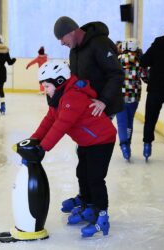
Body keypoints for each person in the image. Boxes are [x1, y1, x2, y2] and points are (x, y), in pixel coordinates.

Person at [29, 60, 116, 237]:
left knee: (95, 178)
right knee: (82, 173)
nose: (45, 90)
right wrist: (34, 140)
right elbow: (49, 121)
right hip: (87, 142)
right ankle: (87, 203)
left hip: (102, 140)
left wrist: (43, 148)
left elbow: (61, 125)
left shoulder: (72, 97)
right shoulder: (59, 98)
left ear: (59, 82)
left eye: (47, 86)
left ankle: (102, 215)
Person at [53, 16, 123, 212]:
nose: (61, 42)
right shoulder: (74, 50)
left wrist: (104, 101)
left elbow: (117, 73)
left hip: (101, 108)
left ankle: (93, 202)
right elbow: (76, 81)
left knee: (93, 160)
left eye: (62, 37)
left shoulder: (99, 43)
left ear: (71, 31)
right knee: (82, 155)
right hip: (85, 111)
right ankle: (86, 197)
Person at [140, 29, 164, 165]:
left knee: (150, 119)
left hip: (155, 89)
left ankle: (146, 147)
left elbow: (143, 61)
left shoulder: (157, 43)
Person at [116, 38, 146, 160]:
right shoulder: (140, 60)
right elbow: (145, 76)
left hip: (120, 95)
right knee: (129, 121)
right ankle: (128, 143)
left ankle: (124, 146)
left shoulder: (118, 60)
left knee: (121, 122)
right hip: (134, 95)